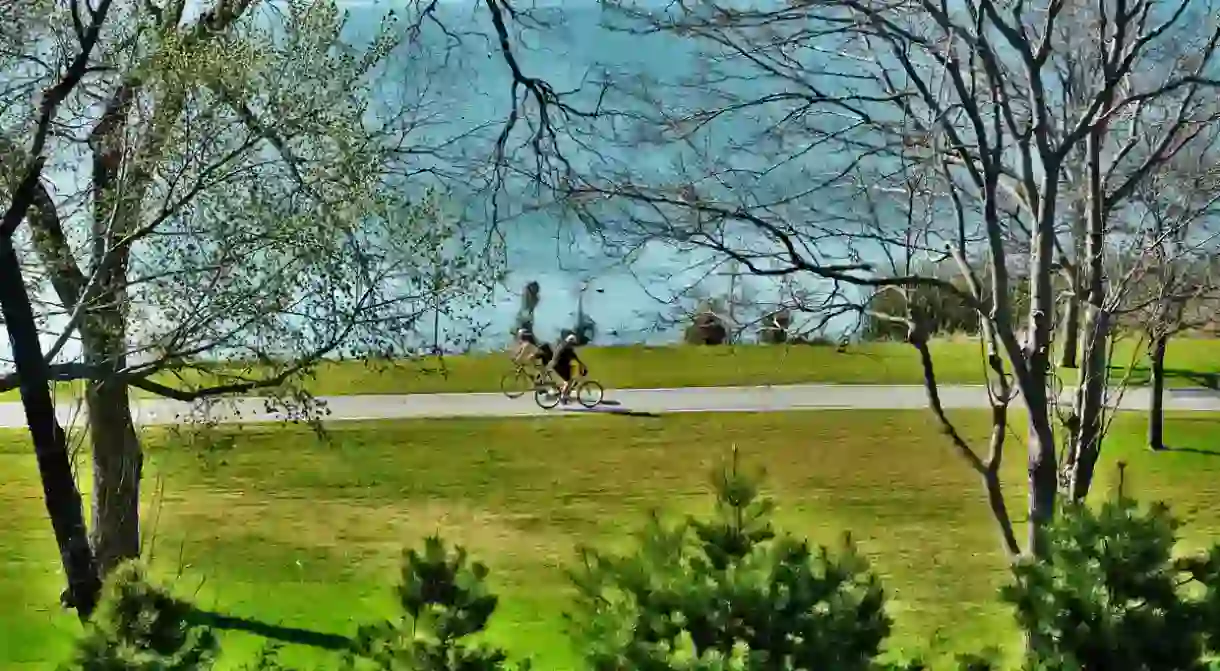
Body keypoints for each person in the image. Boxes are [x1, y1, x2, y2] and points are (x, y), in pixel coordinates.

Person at [549, 332, 587, 404]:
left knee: (567, 377)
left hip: (556, 364)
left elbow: (572, 355)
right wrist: (582, 365)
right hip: (558, 364)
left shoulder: (563, 344)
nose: (573, 345)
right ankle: (563, 397)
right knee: (569, 380)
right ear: (571, 341)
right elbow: (574, 356)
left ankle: (563, 391)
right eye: (573, 343)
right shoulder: (567, 347)